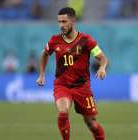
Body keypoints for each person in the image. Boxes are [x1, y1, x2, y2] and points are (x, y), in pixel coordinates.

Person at [36, 7, 107, 140]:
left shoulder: (86, 40)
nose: (61, 25)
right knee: (63, 112)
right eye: (59, 22)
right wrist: (42, 74)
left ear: (73, 21)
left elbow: (103, 58)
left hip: (82, 87)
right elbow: (44, 54)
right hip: (62, 85)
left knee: (91, 123)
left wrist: (102, 67)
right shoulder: (54, 40)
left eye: (64, 21)